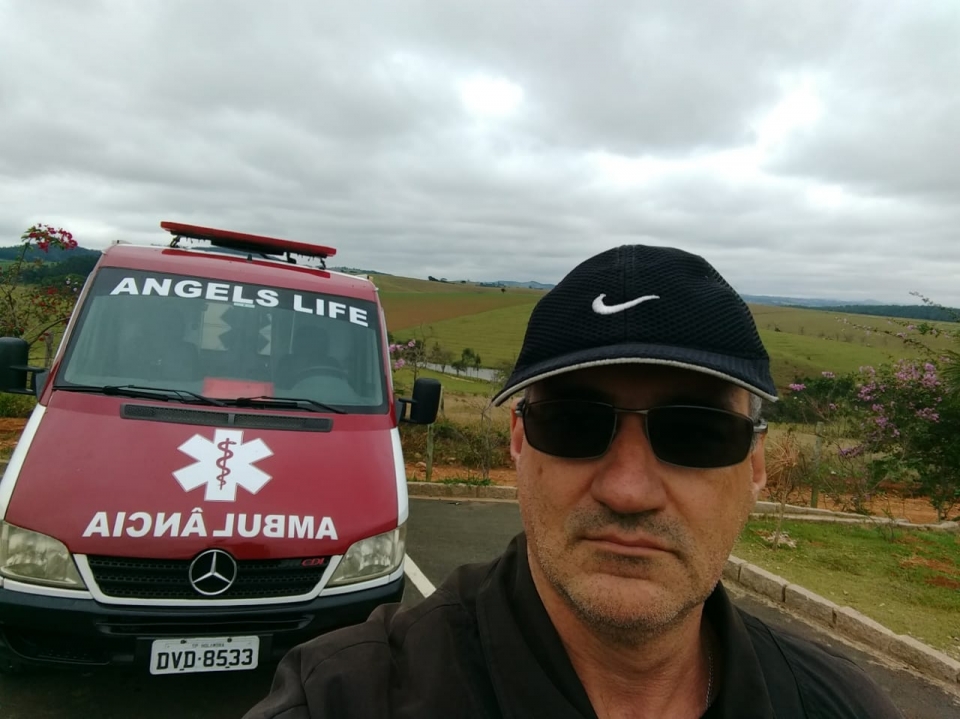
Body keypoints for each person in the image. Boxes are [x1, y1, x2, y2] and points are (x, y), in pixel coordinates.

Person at [244, 245, 903, 718]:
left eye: (697, 433)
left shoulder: (840, 706)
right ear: (518, 441)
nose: (628, 490)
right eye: (573, 423)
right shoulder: (343, 696)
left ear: (756, 465)